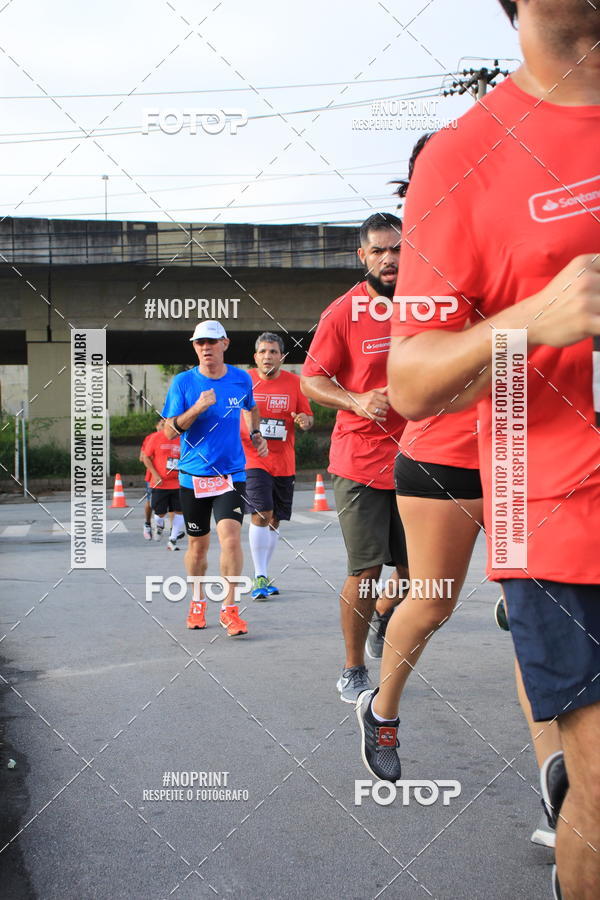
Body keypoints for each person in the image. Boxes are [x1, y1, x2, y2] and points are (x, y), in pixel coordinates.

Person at [381, 3, 600, 896]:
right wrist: (528, 321)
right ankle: (382, 705)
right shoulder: (464, 153)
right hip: (553, 506)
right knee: (429, 603)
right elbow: (411, 382)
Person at [301, 212, 409, 703]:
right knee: (366, 571)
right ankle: (352, 668)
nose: (390, 258)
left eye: (398, 248)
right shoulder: (342, 312)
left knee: (419, 575)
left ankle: (383, 617)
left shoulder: (427, 304)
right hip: (360, 460)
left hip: (420, 457)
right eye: (380, 250)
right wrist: (357, 400)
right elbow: (312, 381)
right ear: (363, 256)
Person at [162, 320, 268, 635]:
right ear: (194, 347)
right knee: (198, 547)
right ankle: (197, 602)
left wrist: (256, 432)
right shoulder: (183, 382)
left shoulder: (240, 379)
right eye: (199, 343)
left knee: (232, 540)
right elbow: (169, 430)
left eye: (211, 342)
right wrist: (197, 407)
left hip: (231, 474)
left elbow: (251, 407)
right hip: (193, 476)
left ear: (225, 343)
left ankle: (230, 609)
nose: (205, 348)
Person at [241, 331, 313, 600]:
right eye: (262, 352)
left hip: (284, 462)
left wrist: (304, 421)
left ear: (281, 357)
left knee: (274, 520)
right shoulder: (243, 380)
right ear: (255, 357)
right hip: (252, 458)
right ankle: (259, 575)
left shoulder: (296, 383)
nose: (267, 356)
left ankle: (265, 573)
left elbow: (307, 416)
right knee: (262, 511)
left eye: (272, 352)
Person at [140, 419, 185, 551]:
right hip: (160, 483)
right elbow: (145, 457)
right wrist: (155, 474)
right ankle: (158, 525)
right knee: (159, 513)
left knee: (179, 511)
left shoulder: (182, 438)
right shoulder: (154, 438)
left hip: (178, 482)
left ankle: (173, 539)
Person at [140, 419, 162, 540]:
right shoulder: (150, 438)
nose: (163, 427)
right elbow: (142, 457)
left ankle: (173, 529)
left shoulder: (174, 437)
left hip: (170, 478)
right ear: (156, 426)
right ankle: (147, 523)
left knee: (172, 504)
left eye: (165, 424)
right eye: (161, 424)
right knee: (151, 501)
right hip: (153, 477)